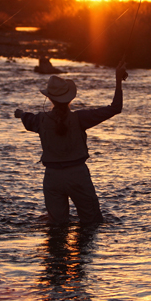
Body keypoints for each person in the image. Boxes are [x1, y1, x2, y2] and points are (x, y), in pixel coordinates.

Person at [14, 61, 127, 225]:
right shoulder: (80, 119)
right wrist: (117, 79)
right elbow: (115, 108)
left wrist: (20, 113)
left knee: (57, 228)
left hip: (52, 178)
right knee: (92, 223)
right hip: (78, 175)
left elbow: (26, 117)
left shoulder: (39, 120)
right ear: (69, 98)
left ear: (49, 98)